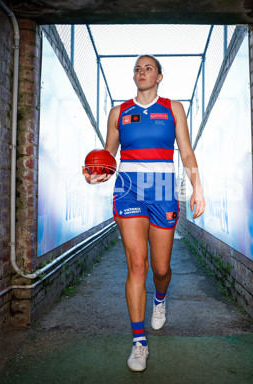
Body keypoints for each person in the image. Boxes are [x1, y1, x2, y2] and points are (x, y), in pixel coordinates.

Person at [83, 55, 205, 372]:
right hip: (129, 188)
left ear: (159, 76)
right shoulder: (119, 113)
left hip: (163, 189)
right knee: (138, 264)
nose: (142, 72)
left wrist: (198, 188)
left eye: (148, 68)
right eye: (137, 68)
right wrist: (97, 171)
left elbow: (187, 151)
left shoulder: (173, 108)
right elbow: (109, 154)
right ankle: (139, 342)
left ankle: (160, 299)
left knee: (161, 268)